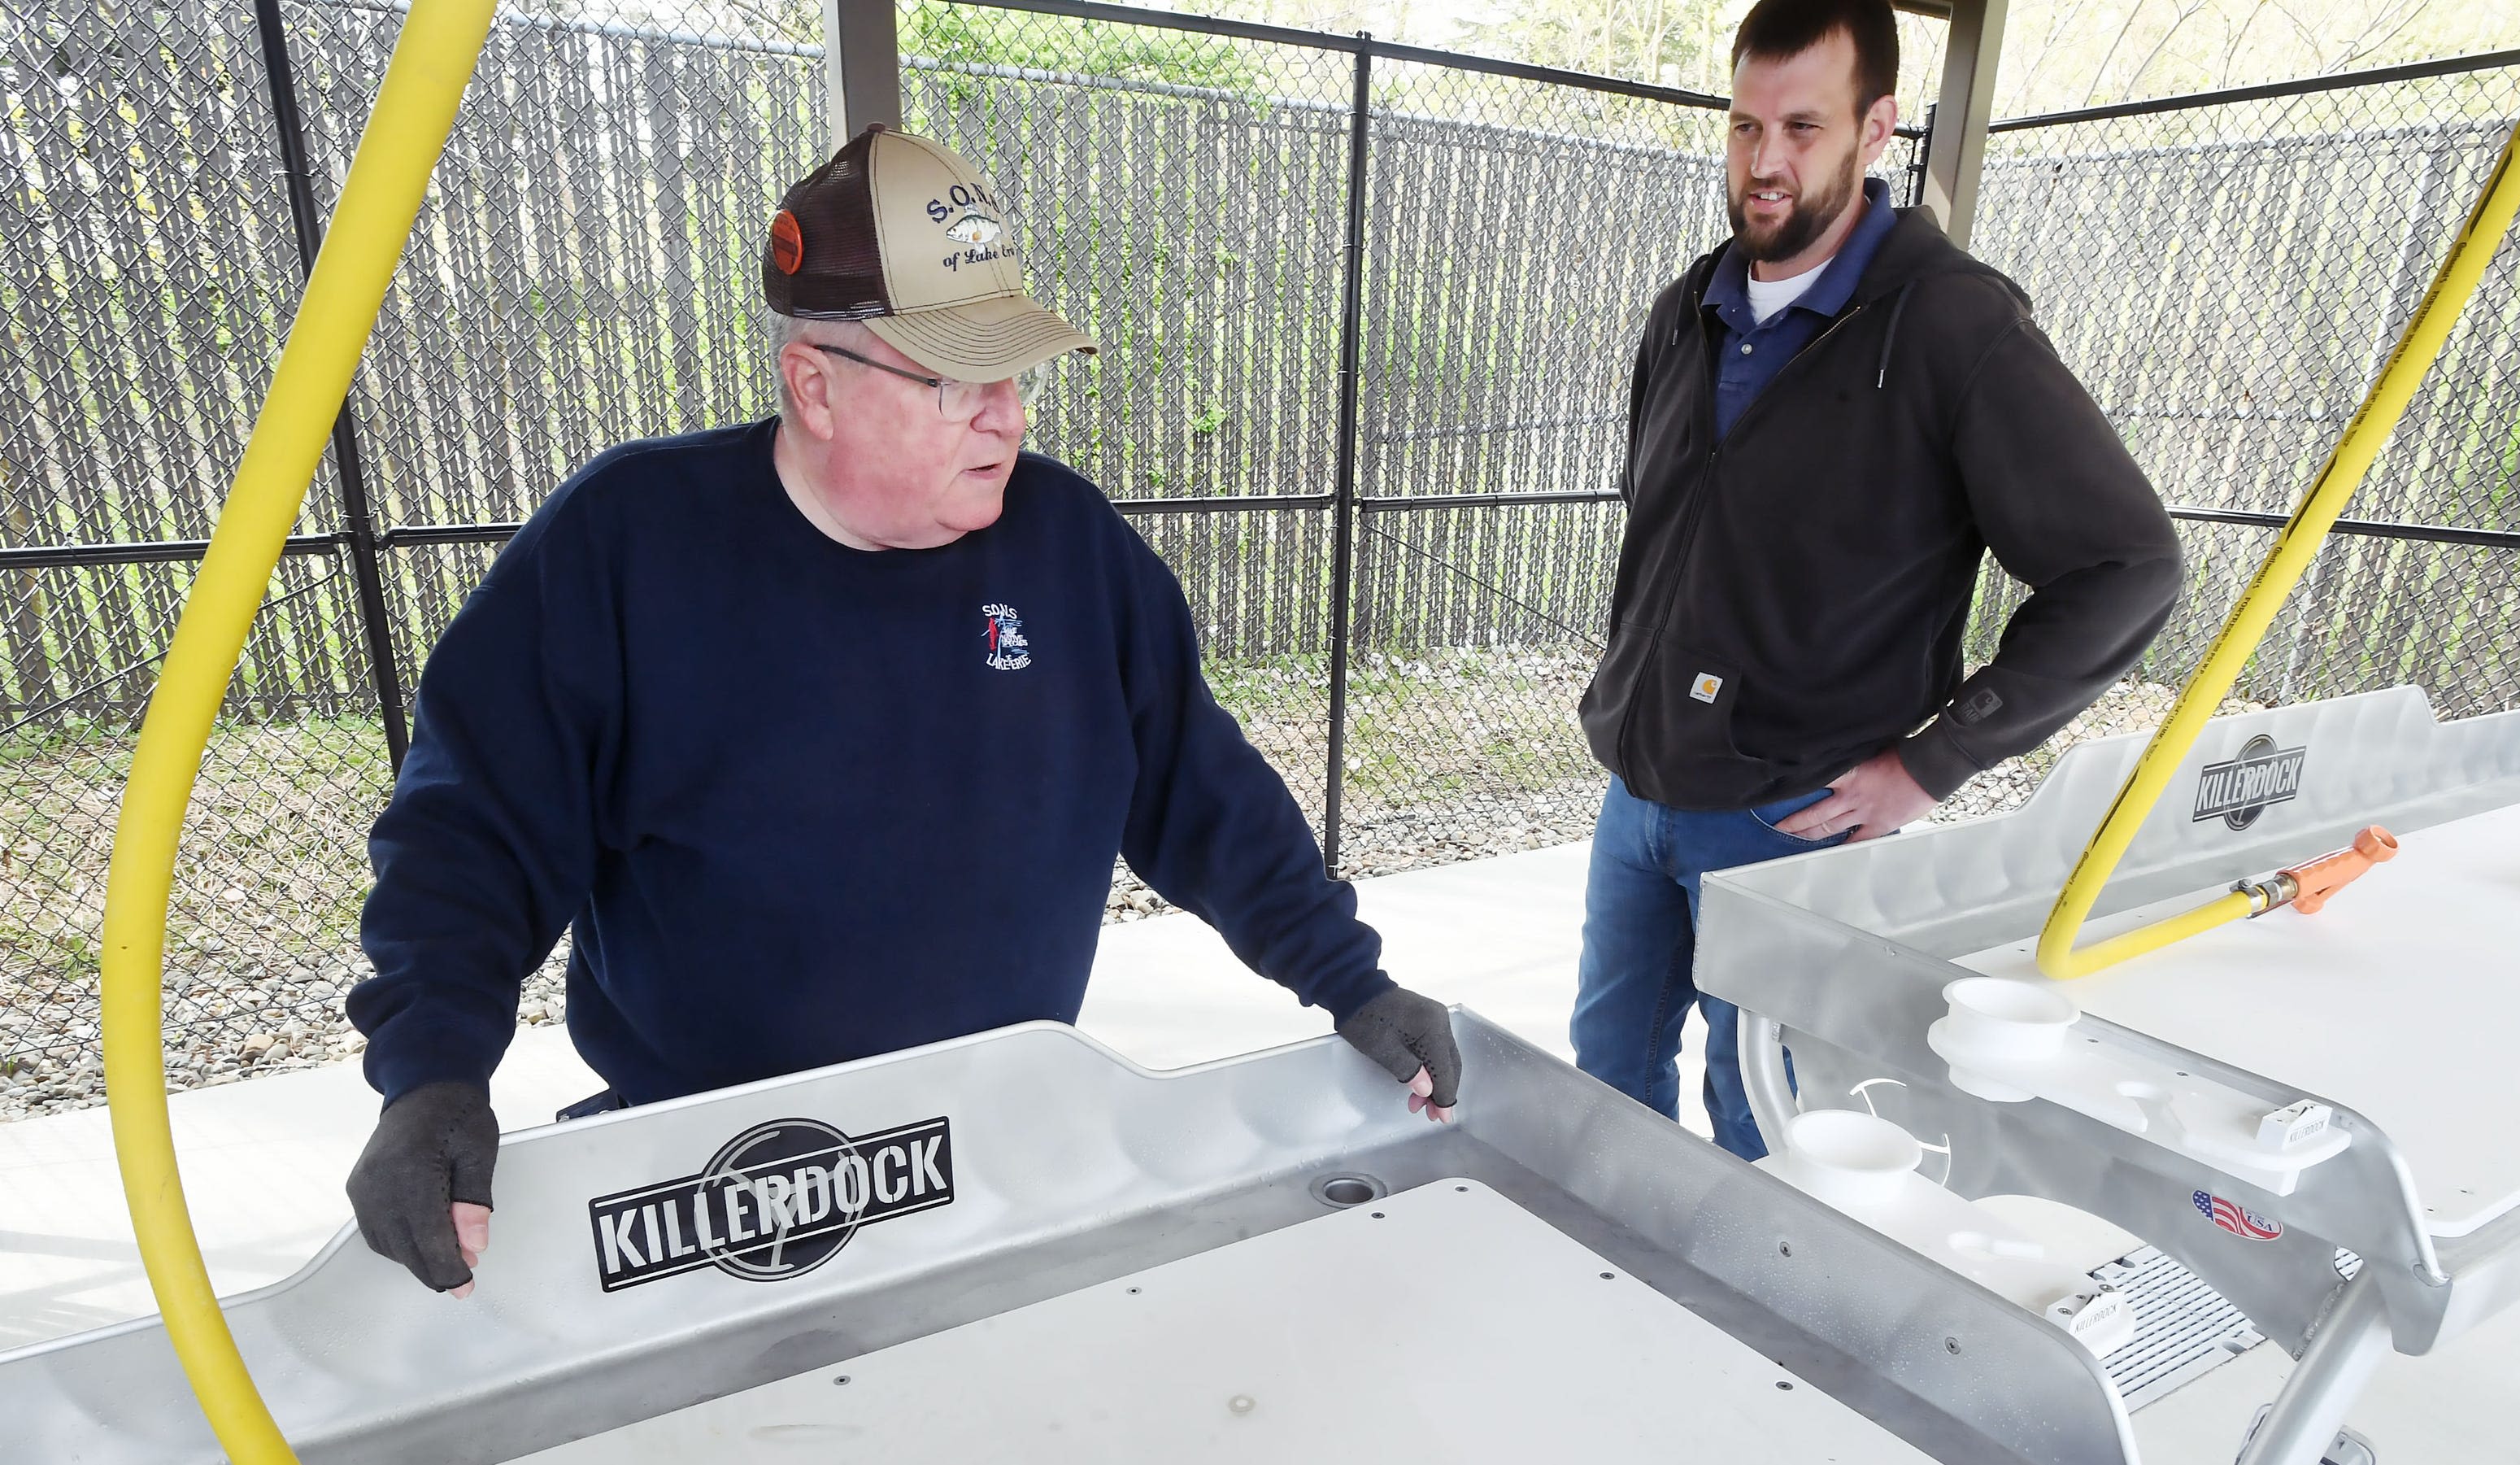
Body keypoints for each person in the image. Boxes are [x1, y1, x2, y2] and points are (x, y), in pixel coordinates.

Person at [342, 126, 1463, 1297]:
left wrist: (1352, 978)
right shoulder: (626, 549)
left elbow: (1198, 786)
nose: (1007, 418)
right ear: (815, 385)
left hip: (999, 1134)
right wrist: (432, 1069)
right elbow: (475, 829)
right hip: (722, 1183)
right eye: (954, 380)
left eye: (1013, 373)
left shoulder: (1068, 548)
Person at [1573, 0, 2182, 1158]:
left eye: (1803, 128)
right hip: (1639, 788)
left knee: (1767, 1109)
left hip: (1791, 815)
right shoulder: (1687, 310)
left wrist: (1934, 760)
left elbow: (2128, 565)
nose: (1765, 162)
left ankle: (1763, 1332)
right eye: (1746, 126)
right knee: (1605, 1078)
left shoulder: (1953, 324)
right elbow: (1674, 533)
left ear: (1878, 128)